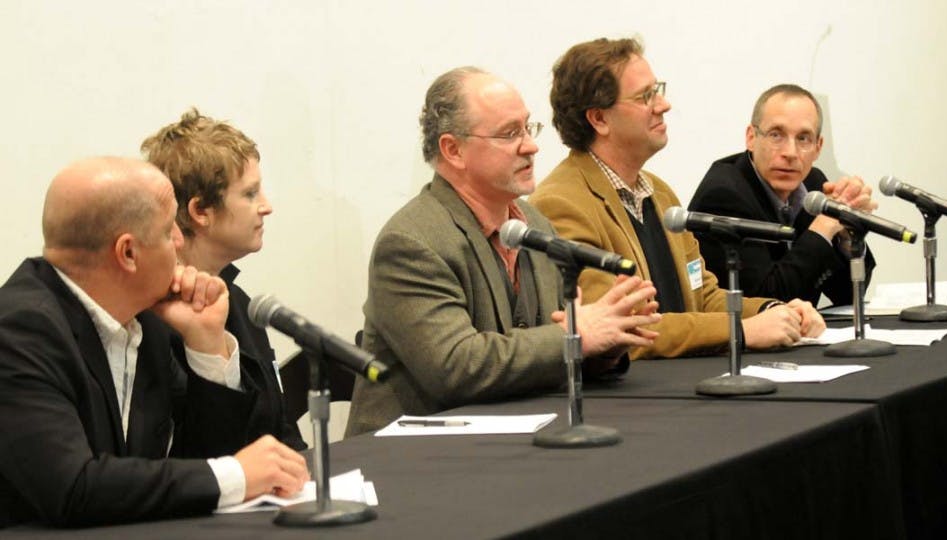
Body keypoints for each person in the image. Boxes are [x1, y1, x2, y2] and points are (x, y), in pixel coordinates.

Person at [345, 67, 662, 436]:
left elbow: (537, 357)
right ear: (453, 149)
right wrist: (576, 336)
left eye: (529, 128)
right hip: (412, 461)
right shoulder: (411, 243)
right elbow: (456, 368)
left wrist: (604, 345)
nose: (531, 146)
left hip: (510, 442)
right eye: (510, 134)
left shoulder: (535, 226)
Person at [0, 157, 308, 528]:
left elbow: (196, 464)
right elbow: (72, 488)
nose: (180, 242)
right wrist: (236, 476)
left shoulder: (146, 317)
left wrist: (206, 343)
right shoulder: (19, 331)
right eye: (168, 232)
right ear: (128, 253)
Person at [531, 38, 825, 359]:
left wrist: (774, 310)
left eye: (658, 89)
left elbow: (703, 296)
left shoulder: (659, 192)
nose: (663, 105)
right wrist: (740, 330)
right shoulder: (561, 204)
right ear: (599, 119)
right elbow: (622, 329)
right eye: (646, 96)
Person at [141, 109, 305, 450]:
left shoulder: (242, 304)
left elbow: (280, 430)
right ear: (201, 211)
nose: (266, 206)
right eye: (250, 194)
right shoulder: (151, 322)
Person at [689, 84, 877, 305]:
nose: (790, 153)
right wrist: (824, 227)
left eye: (803, 138)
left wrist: (848, 238)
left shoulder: (812, 184)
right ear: (751, 137)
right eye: (776, 135)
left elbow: (848, 294)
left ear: (818, 147)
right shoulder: (724, 195)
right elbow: (766, 301)